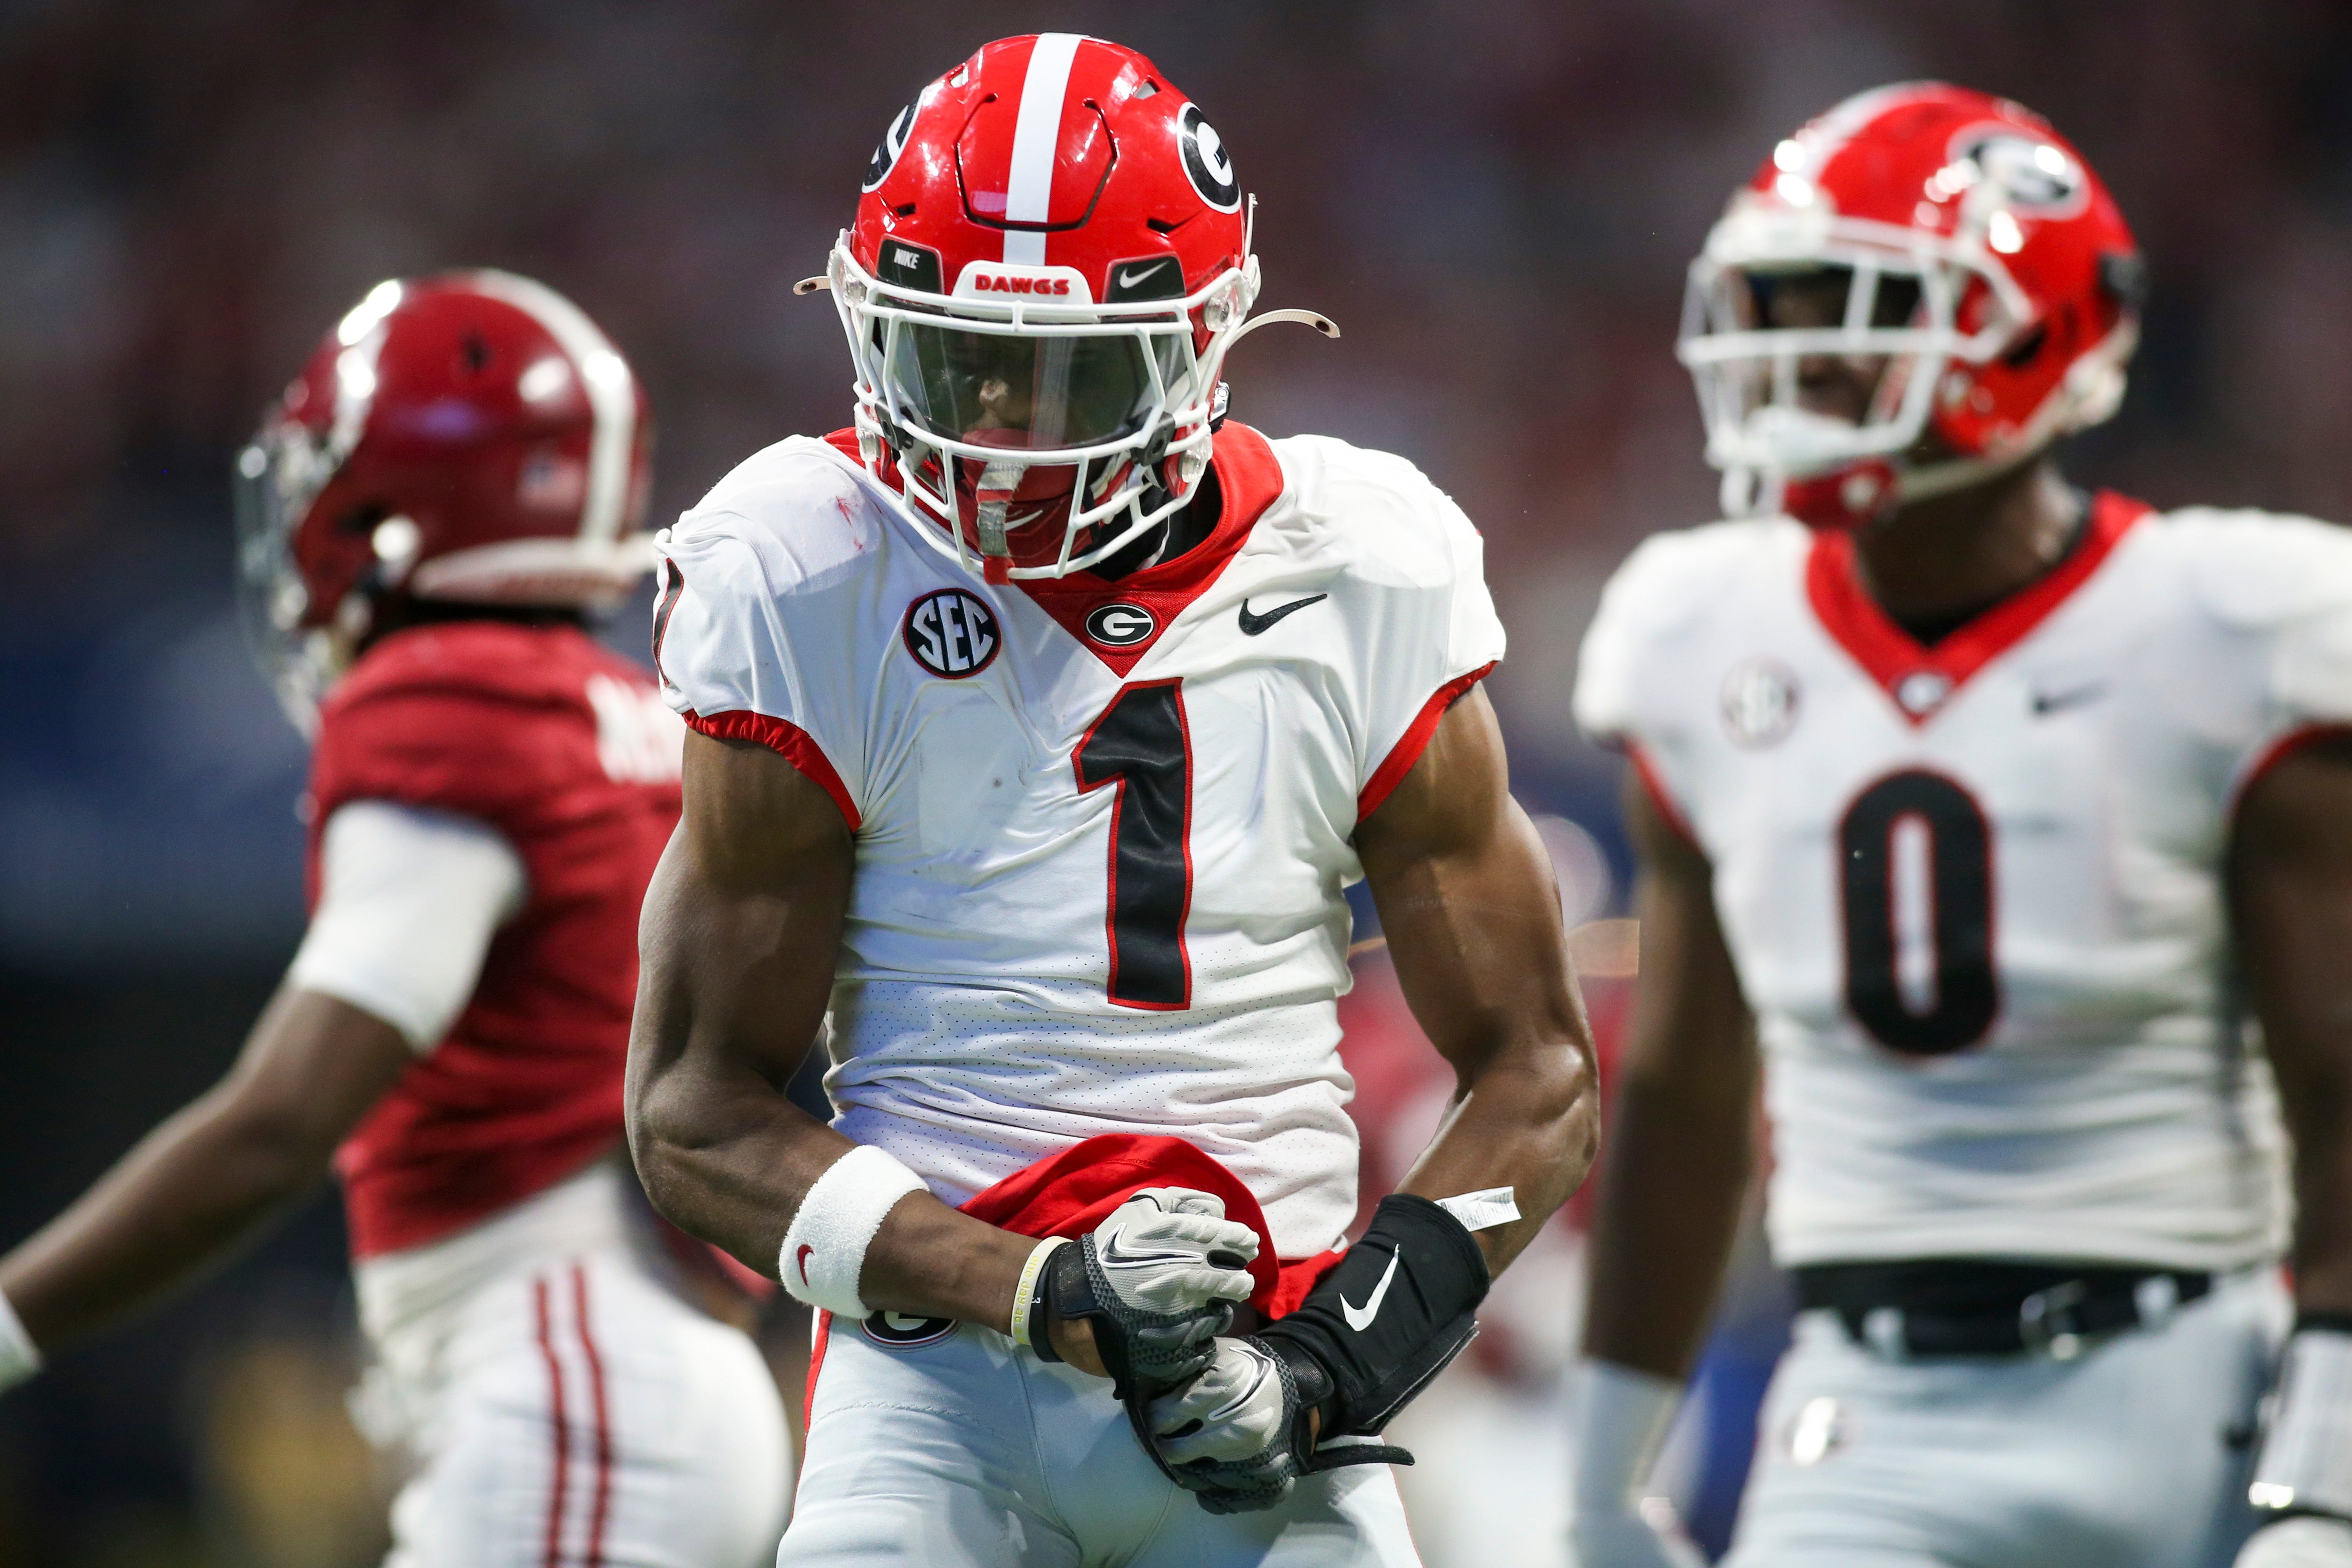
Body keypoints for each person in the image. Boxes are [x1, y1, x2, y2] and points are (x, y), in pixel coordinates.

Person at [625, 32, 1598, 1568]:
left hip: (1262, 1370)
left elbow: (1537, 1071)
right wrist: (1031, 1289)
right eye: (957, 359)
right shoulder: (807, 562)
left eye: (1067, 373)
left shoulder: (1357, 562)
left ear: (1201, 344)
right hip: (935, 1385)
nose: (997, 431)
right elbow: (692, 1114)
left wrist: (1334, 1362)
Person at [1565, 83, 2352, 1568]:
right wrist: (1601, 1481)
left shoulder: (2226, 626)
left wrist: (2328, 1478)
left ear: (2022, 335)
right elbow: (1682, 1091)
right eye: (1774, 307)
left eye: (1846, 310)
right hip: (1867, 1410)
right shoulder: (1695, 629)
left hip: (2198, 1385)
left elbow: (2341, 1091)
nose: (1790, 357)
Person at [0, 273, 792, 1568]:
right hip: (639, 1378)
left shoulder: (444, 701)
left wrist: (10, 1318)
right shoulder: (628, 713)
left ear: (390, 497)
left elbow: (279, 1122)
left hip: (575, 1382)